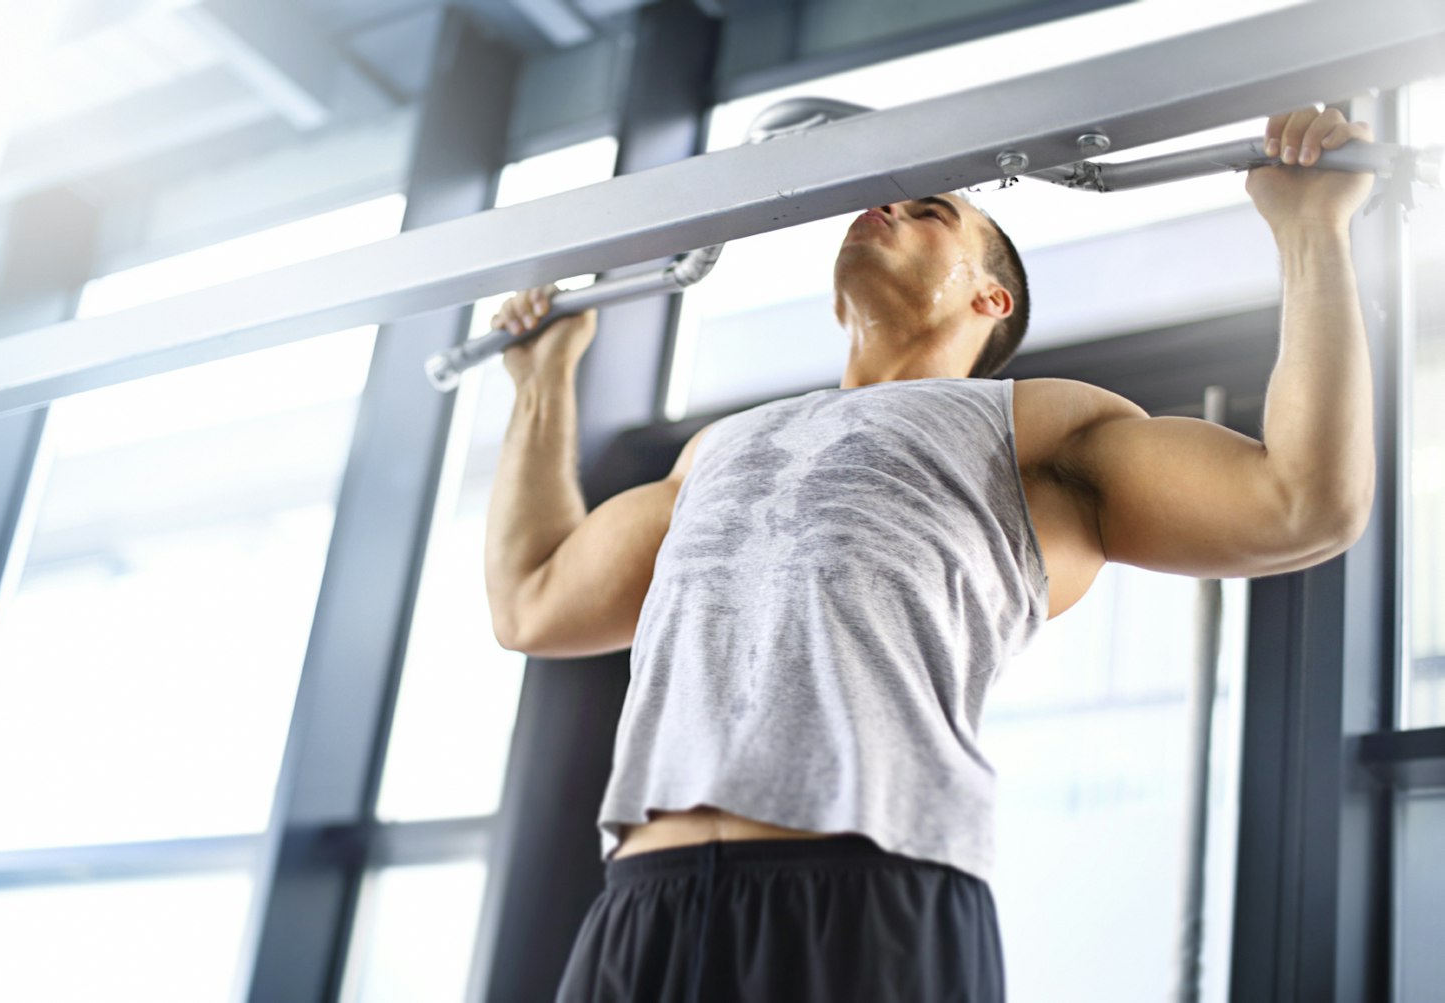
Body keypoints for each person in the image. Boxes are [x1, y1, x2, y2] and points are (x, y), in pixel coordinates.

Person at [483, 105, 1377, 1001]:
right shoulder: (716, 449)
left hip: (870, 891)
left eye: (933, 212)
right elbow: (531, 600)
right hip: (646, 907)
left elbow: (1304, 503)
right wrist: (541, 381)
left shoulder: (1036, 423)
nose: (891, 209)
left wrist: (1311, 232)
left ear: (993, 299)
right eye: (886, 205)